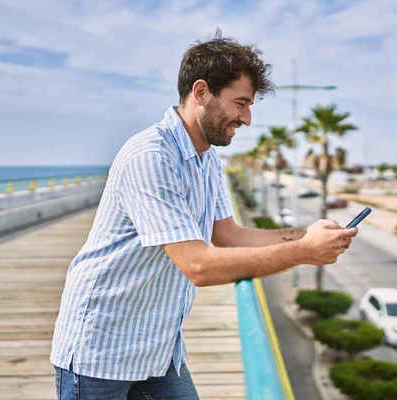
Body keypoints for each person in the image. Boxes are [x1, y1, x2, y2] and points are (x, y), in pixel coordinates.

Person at [50, 30, 358, 400]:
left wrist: (304, 234)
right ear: (201, 92)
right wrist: (305, 253)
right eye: (240, 103)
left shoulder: (206, 157)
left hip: (158, 349)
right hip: (101, 350)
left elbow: (228, 236)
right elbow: (199, 266)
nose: (247, 118)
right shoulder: (151, 155)